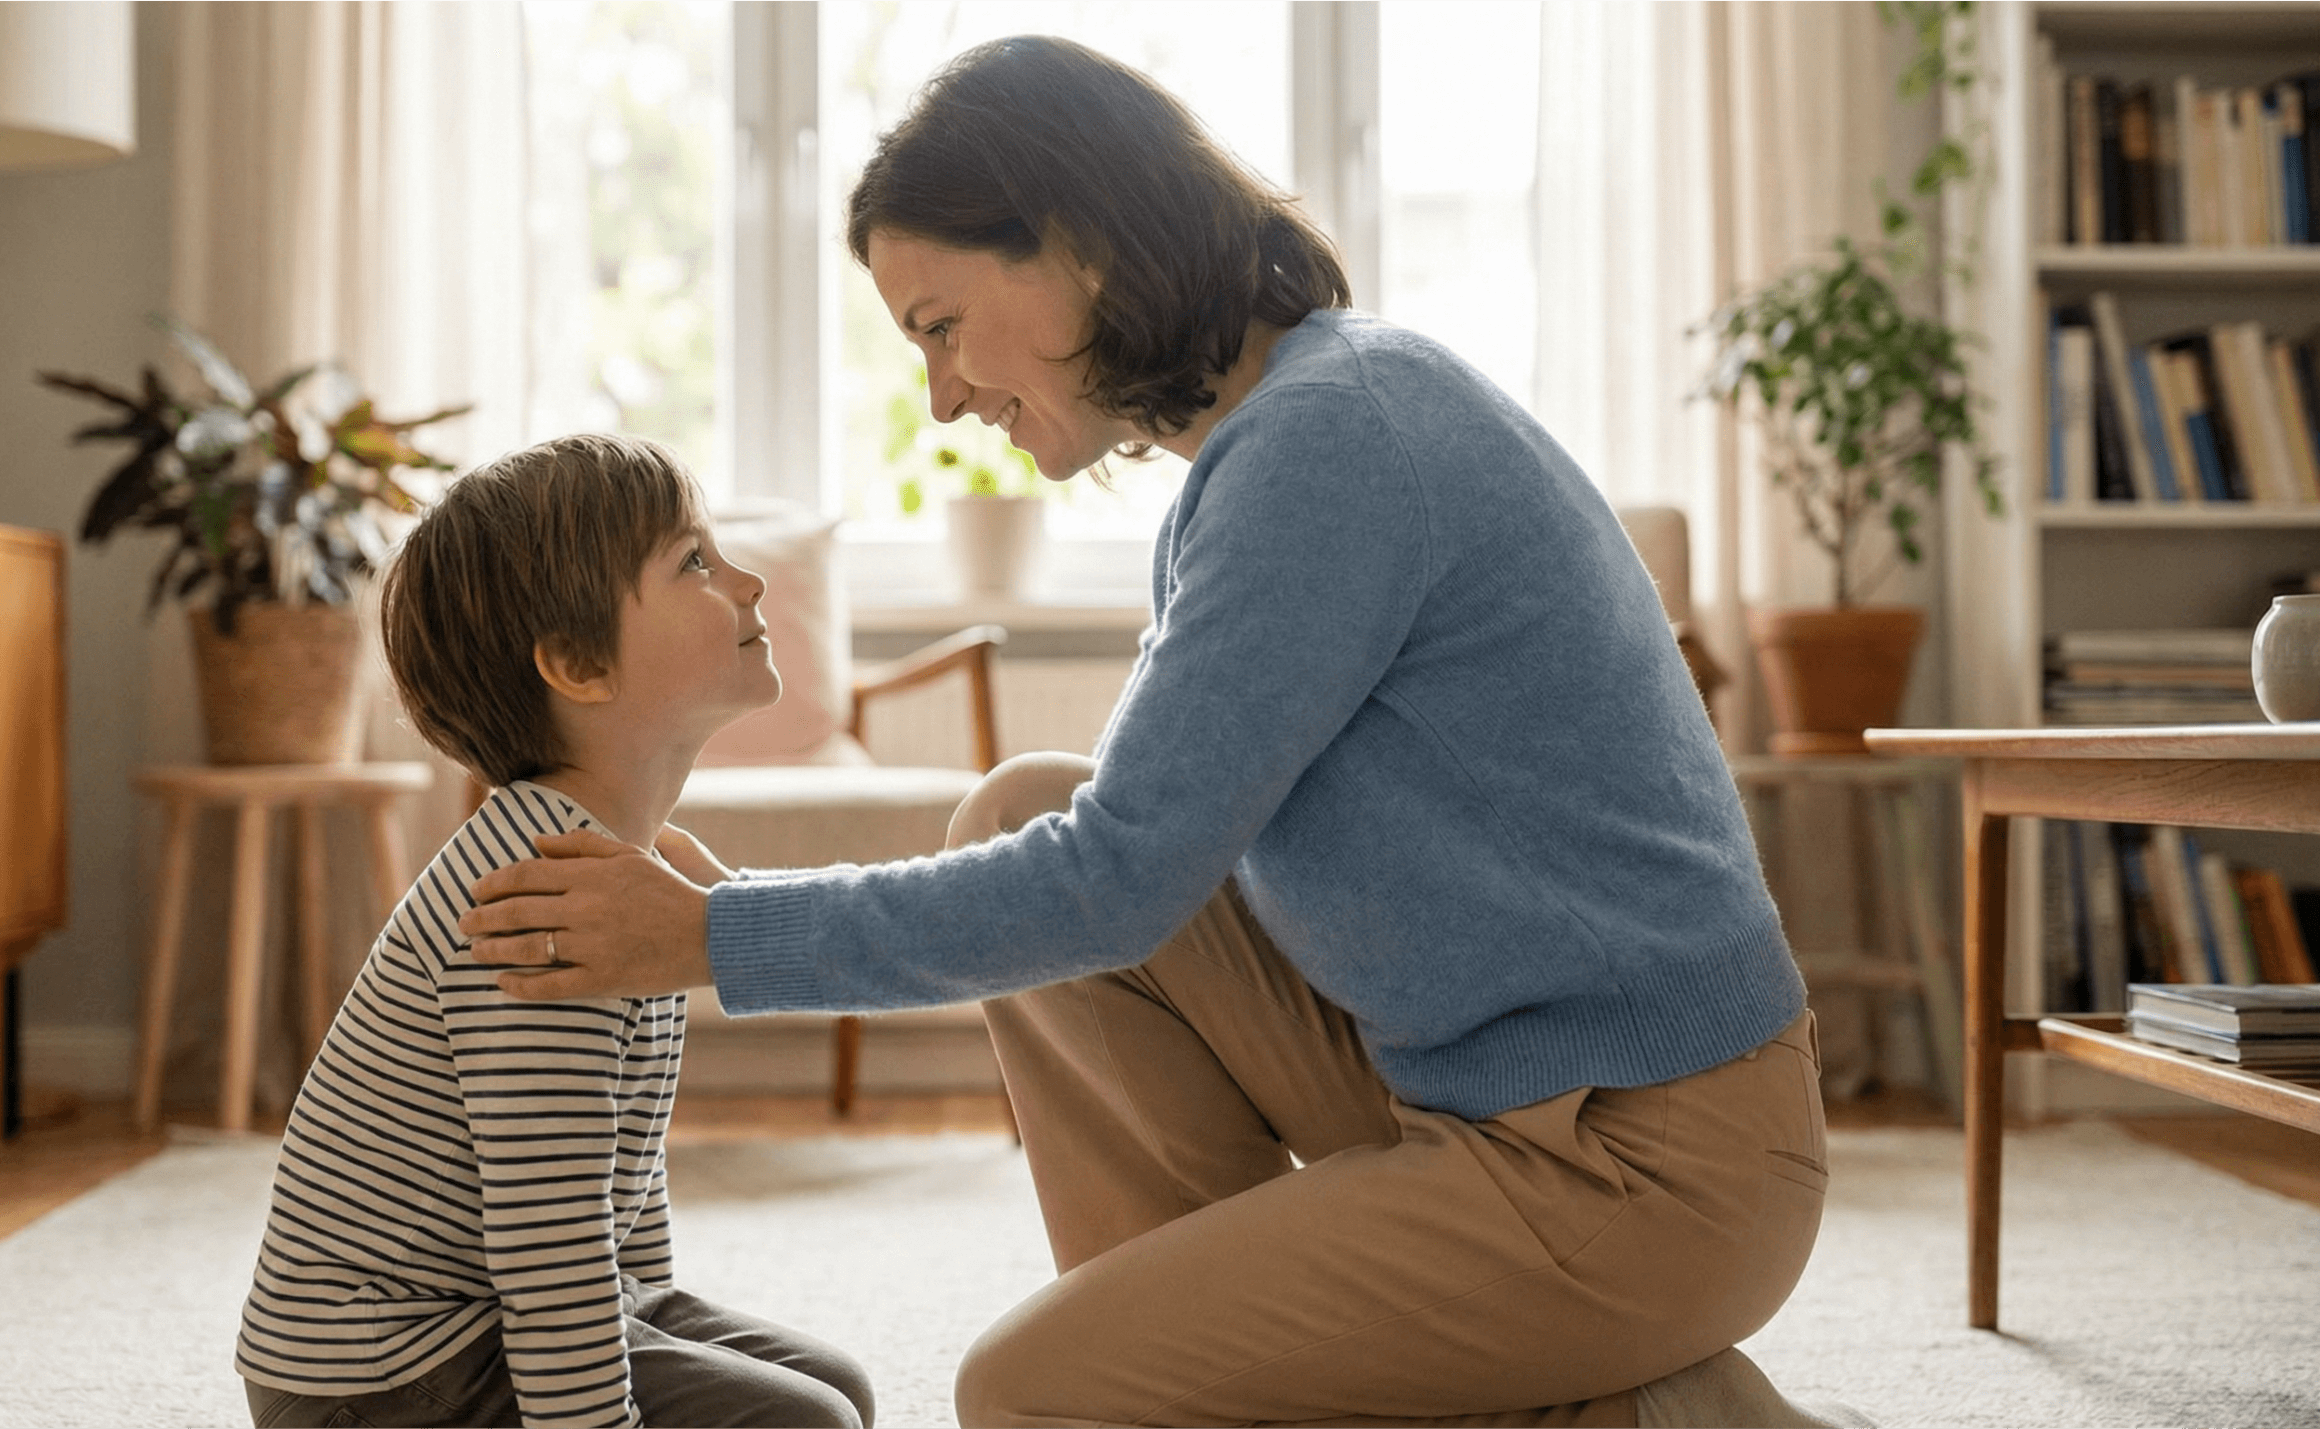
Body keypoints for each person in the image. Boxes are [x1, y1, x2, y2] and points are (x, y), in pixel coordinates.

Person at [461, 37, 1867, 1429]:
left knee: (1030, 1393)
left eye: (939, 325)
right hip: (1486, 1084)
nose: (940, 394)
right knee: (1019, 807)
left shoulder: (1331, 444)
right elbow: (1119, 859)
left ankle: (1548, 1387)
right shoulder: (1287, 431)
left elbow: (1114, 881)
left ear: (1077, 247)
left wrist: (713, 936)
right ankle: (1312, 1374)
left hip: (1638, 1153)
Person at [234, 433, 875, 1429]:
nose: (748, 582)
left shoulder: (624, 873)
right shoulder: (544, 903)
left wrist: (653, 1316)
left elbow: (616, 1167)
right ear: (577, 664)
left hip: (478, 1314)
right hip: (381, 1374)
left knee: (838, 1389)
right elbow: (548, 1240)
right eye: (694, 563)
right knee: (808, 1424)